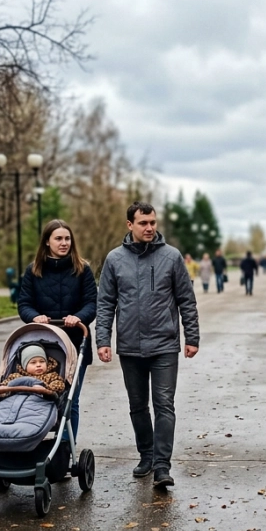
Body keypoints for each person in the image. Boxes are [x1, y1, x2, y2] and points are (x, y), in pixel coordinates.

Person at [97, 202, 200, 489]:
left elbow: (186, 300)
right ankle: (147, 454)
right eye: (143, 223)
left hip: (165, 345)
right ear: (129, 225)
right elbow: (105, 302)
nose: (149, 227)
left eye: (152, 222)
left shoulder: (171, 257)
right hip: (130, 347)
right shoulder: (114, 260)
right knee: (138, 405)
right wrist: (102, 340)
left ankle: (162, 467)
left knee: (164, 405)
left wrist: (192, 337)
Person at [18, 220, 97, 442]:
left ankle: (64, 446)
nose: (64, 243)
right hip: (43, 344)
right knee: (39, 395)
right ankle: (35, 439)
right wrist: (34, 316)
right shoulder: (34, 271)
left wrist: (78, 317)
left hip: (73, 343)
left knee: (70, 399)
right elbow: (24, 303)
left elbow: (92, 303)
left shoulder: (82, 270)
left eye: (67, 239)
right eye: (58, 239)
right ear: (47, 241)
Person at [0, 344, 67, 396]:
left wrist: (45, 389)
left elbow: (59, 385)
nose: (38, 365)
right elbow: (5, 384)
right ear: (24, 366)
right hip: (17, 401)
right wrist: (2, 388)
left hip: (41, 403)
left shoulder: (52, 376)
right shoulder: (15, 376)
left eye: (42, 361)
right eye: (33, 362)